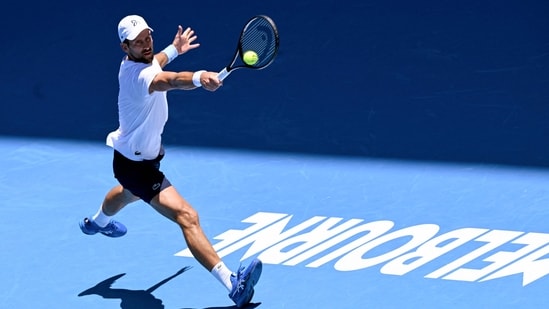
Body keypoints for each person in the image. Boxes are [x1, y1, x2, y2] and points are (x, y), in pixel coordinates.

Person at [78, 15, 261, 308]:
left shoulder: (134, 64)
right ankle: (232, 284)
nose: (146, 44)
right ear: (125, 47)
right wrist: (202, 77)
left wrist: (174, 48)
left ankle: (96, 223)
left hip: (129, 161)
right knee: (187, 216)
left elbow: (158, 62)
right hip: (136, 166)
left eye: (147, 37)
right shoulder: (141, 78)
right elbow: (170, 79)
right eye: (138, 42)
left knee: (128, 193)